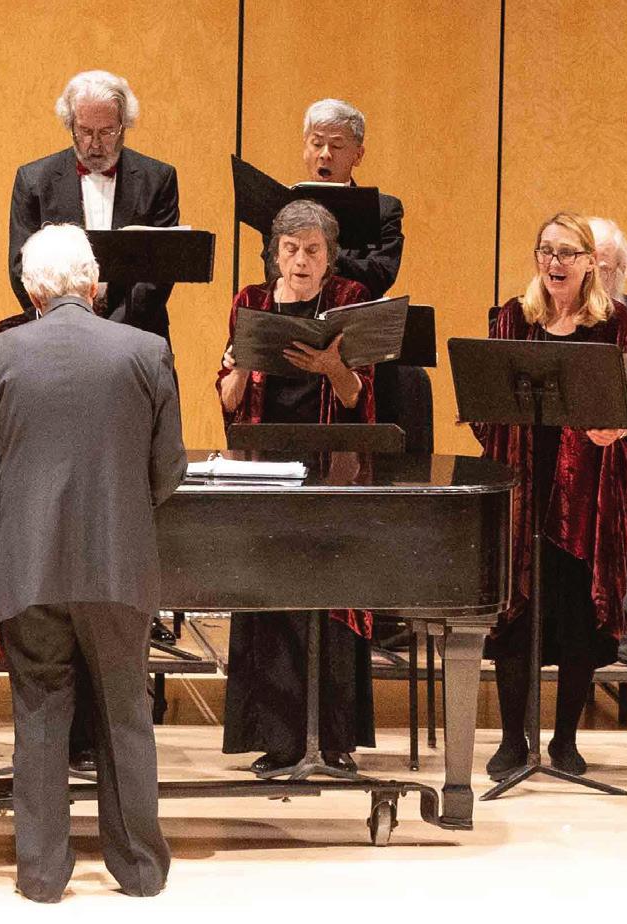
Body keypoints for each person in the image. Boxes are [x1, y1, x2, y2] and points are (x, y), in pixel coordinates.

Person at [0, 224, 184, 902]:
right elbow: (168, 470)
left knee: (39, 714)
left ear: (31, 292)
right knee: (124, 714)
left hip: (28, 566)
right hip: (119, 564)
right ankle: (139, 870)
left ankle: (41, 875)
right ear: (95, 284)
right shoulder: (146, 351)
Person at [472, 214, 627, 781]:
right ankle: (511, 741)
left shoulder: (615, 323)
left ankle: (566, 741)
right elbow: (485, 400)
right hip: (522, 487)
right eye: (546, 251)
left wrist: (618, 427)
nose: (554, 262)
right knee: (516, 617)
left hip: (588, 494)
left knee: (577, 616)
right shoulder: (514, 317)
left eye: (567, 253)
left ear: (590, 262)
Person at [217, 200, 376, 774]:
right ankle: (278, 738)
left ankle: (333, 740)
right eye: (290, 249)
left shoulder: (349, 300)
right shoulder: (251, 301)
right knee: (271, 598)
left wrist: (331, 366)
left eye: (312, 250)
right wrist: (239, 365)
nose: (301, 260)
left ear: (330, 257)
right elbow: (229, 399)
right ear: (275, 254)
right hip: (264, 469)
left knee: (330, 598)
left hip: (332, 470)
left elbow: (360, 395)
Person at [6, 70, 183, 338]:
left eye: (107, 131)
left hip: (138, 335)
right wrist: (68, 323)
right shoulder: (33, 181)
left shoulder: (158, 179)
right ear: (71, 125)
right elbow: (21, 267)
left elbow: (160, 269)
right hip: (59, 335)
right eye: (85, 132)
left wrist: (111, 331)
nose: (96, 145)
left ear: (124, 125)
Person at [257, 99, 402, 299]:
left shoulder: (383, 210)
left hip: (353, 315)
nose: (325, 154)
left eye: (336, 145)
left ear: (358, 155)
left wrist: (319, 254)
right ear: (305, 149)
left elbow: (378, 276)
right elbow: (274, 273)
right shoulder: (282, 206)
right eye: (317, 144)